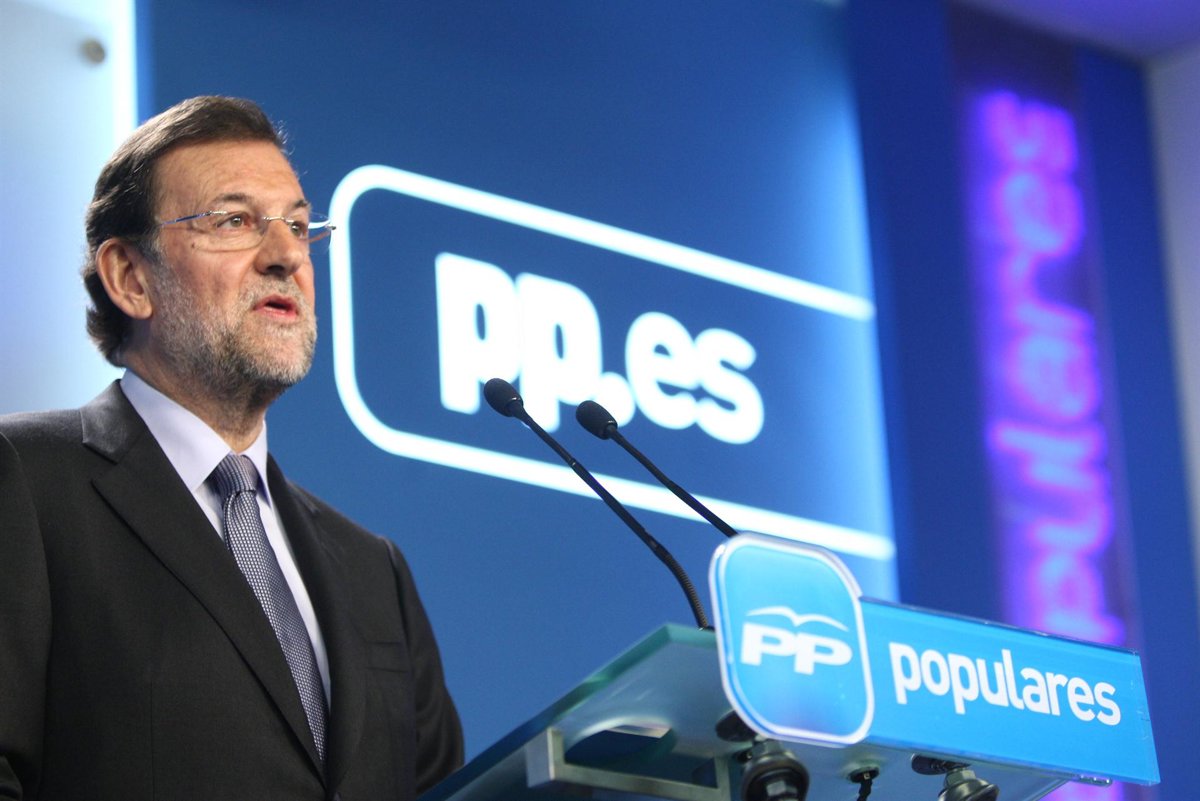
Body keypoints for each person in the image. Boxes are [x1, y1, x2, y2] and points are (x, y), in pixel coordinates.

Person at [0, 96, 463, 800]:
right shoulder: (25, 483)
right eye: (234, 221)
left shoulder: (376, 571)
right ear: (130, 278)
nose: (287, 257)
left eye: (299, 226)